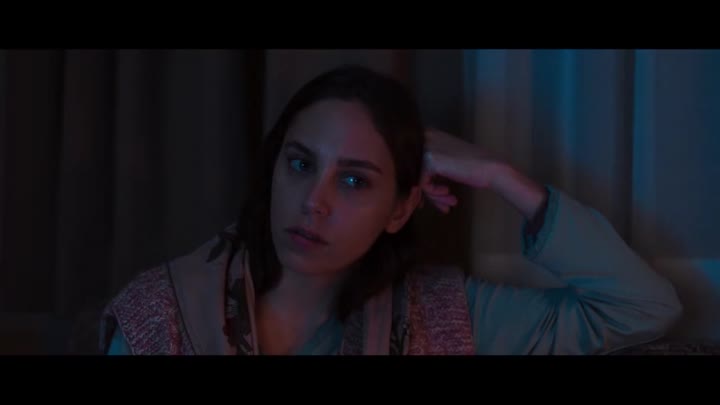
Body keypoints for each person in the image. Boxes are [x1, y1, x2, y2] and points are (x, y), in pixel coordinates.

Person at [99, 65, 683, 355]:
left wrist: (498, 174)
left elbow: (642, 307)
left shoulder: (442, 317)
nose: (314, 202)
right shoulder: (161, 318)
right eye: (300, 164)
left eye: (354, 180)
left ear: (400, 210)